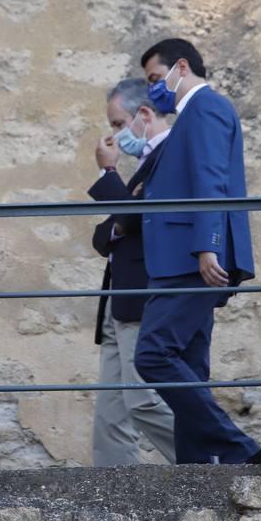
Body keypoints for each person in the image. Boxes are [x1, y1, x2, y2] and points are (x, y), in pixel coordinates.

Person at [132, 38, 261, 465]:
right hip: (180, 259)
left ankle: (242, 452)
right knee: (190, 368)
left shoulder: (205, 107)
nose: (155, 88)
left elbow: (212, 180)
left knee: (153, 355)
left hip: (192, 260)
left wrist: (207, 248)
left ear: (182, 67)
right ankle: (196, 472)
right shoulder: (192, 115)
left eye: (157, 78)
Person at [87, 79, 177, 466]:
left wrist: (109, 175)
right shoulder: (144, 164)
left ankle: (216, 460)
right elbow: (103, 234)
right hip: (117, 298)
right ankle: (111, 490)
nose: (115, 135)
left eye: (118, 124)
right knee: (111, 413)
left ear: (143, 115)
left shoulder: (171, 154)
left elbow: (131, 219)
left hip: (141, 295)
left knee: (142, 400)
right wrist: (123, 221)